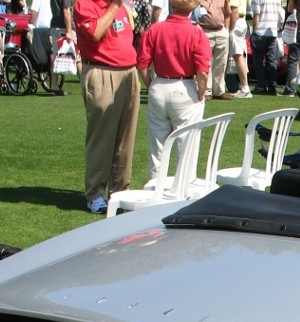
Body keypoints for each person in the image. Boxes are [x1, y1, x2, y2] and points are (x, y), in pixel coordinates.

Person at [74, 0, 141, 213]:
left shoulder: (120, 5)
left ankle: (120, 190)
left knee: (125, 137)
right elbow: (95, 33)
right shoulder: (85, 4)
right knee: (102, 137)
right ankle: (94, 193)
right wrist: (113, 6)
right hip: (102, 71)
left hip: (128, 72)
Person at [136, 0, 210, 179]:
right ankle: (182, 192)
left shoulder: (155, 30)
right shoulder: (196, 33)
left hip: (160, 85)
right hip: (185, 87)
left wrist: (151, 84)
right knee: (187, 146)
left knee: (157, 148)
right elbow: (202, 71)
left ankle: (154, 189)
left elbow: (142, 65)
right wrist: (201, 92)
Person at [195, 0, 233, 100]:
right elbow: (193, 16)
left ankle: (219, 91)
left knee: (222, 62)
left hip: (221, 31)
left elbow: (227, 13)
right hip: (205, 31)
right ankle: (206, 91)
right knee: (205, 62)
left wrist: (226, 29)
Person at [249, 0, 281, 95]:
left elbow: (256, 15)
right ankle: (272, 86)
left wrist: (254, 31)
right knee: (271, 60)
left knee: (258, 60)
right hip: (272, 31)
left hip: (260, 31)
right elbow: (279, 15)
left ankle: (261, 85)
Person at [50, 0, 75, 94]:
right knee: (78, 58)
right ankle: (86, 84)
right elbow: (66, 10)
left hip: (55, 26)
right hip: (64, 28)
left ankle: (54, 85)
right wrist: (69, 30)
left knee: (56, 57)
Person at [228, 0, 252, 97]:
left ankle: (245, 88)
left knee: (238, 56)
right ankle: (244, 87)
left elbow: (234, 10)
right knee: (238, 56)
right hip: (240, 21)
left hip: (236, 22)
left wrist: (230, 29)